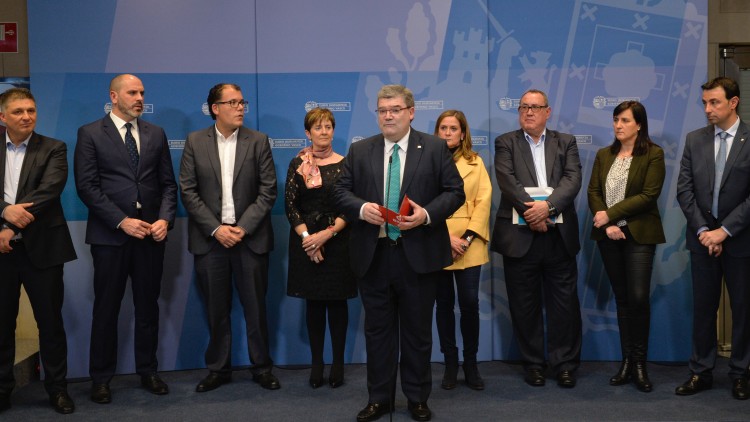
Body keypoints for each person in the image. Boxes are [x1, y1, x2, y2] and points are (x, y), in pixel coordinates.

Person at [334, 84, 464, 422]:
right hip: (374, 255)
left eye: (394, 109)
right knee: (377, 333)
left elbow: (455, 192)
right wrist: (361, 209)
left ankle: (417, 398)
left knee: (417, 333)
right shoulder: (360, 149)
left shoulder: (434, 147)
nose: (388, 116)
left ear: (411, 112)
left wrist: (427, 215)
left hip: (418, 256)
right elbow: (340, 192)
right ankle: (379, 399)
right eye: (382, 110)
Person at [75, 74, 177, 404]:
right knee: (106, 309)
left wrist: (164, 219)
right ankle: (101, 379)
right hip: (110, 238)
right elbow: (87, 187)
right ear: (114, 96)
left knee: (148, 308)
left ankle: (148, 371)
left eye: (142, 92)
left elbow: (168, 185)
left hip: (150, 236)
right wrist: (122, 222)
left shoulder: (155, 133)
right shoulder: (91, 133)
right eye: (132, 92)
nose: (139, 98)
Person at [180, 83, 280, 393]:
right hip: (211, 240)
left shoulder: (258, 141)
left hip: (250, 239)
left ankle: (262, 367)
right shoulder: (195, 141)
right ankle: (218, 369)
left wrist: (243, 227)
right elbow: (188, 190)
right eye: (233, 103)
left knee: (256, 309)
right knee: (215, 309)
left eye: (242, 103)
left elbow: (268, 190)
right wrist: (216, 229)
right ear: (215, 108)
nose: (240, 108)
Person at [491, 89, 583, 388]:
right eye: (523, 107)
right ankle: (533, 364)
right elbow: (507, 181)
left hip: (559, 236)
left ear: (548, 111)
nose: (528, 112)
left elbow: (572, 180)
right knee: (524, 305)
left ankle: (564, 364)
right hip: (519, 236)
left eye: (535, 107)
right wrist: (535, 214)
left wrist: (549, 208)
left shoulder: (566, 142)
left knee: (564, 305)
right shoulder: (505, 142)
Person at [0, 88, 77, 414]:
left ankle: (57, 389)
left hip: (43, 249)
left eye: (31, 110)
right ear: (3, 116)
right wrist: (4, 211)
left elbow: (48, 192)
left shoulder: (53, 148)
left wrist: (10, 225)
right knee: (2, 325)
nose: (26, 117)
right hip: (2, 251)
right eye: (18, 111)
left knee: (51, 324)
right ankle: (3, 390)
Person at [676, 76, 750, 400]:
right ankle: (700, 371)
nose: (707, 109)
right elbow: (684, 190)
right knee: (704, 309)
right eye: (704, 102)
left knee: (743, 309)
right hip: (702, 240)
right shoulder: (695, 140)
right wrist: (705, 232)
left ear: (733, 102)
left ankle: (741, 373)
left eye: (714, 102)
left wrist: (725, 230)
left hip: (740, 240)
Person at [587, 101, 665, 393]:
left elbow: (648, 195)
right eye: (616, 119)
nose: (618, 125)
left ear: (639, 125)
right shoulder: (604, 154)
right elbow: (594, 191)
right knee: (622, 299)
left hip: (639, 235)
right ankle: (627, 362)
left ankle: (640, 364)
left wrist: (610, 215)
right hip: (608, 235)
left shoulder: (653, 154)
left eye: (625, 120)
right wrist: (606, 224)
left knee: (638, 298)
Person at [285, 108, 356, 389]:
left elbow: (350, 206)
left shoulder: (346, 164)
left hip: (338, 241)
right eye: (318, 127)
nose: (323, 132)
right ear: (308, 133)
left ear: (333, 131)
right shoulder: (297, 164)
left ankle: (338, 363)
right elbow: (291, 206)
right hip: (305, 242)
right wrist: (309, 240)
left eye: (328, 127)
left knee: (337, 304)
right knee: (314, 304)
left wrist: (326, 235)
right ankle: (317, 363)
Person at [432, 110, 491, 391]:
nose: (447, 133)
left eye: (453, 128)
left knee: (469, 303)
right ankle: (450, 363)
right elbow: (424, 204)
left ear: (463, 133)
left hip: (470, 240)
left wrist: (466, 238)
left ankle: (471, 363)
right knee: (443, 304)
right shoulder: (427, 162)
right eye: (443, 128)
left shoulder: (476, 163)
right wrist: (446, 239)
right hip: (438, 241)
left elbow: (483, 201)